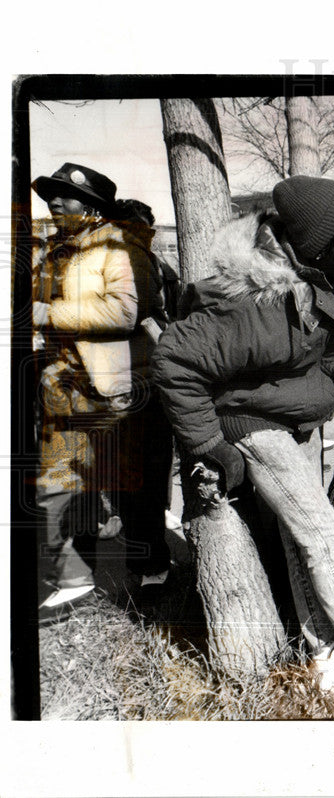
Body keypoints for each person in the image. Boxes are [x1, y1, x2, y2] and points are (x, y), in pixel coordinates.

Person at [152, 176, 334, 702]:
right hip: (250, 423)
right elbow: (174, 360)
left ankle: (326, 667)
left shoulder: (314, 283)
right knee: (324, 534)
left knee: (301, 541)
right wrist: (207, 446)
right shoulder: (255, 303)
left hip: (287, 422)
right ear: (315, 249)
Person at [31, 164, 172, 613]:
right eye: (50, 194)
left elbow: (126, 312)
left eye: (64, 195)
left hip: (121, 392)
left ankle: (153, 576)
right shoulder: (55, 251)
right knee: (59, 489)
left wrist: (46, 315)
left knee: (135, 491)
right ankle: (77, 579)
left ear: (92, 207)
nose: (53, 202)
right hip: (65, 389)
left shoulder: (122, 247)